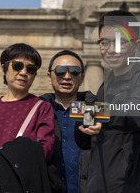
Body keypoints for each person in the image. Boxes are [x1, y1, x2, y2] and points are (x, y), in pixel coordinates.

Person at [75, 10, 140, 193]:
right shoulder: (107, 86)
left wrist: (98, 114)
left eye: (120, 41)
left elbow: (137, 113)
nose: (111, 49)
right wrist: (83, 127)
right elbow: (87, 141)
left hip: (136, 185)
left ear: (135, 45)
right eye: (105, 42)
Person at [0, 43, 55, 191]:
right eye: (17, 66)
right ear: (4, 68)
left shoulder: (41, 108)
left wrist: (1, 164)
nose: (23, 72)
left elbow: (45, 149)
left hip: (24, 185)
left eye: (30, 69)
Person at [40, 50, 96, 193]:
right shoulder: (36, 112)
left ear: (82, 77)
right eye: (59, 71)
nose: (67, 76)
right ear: (49, 76)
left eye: (74, 71)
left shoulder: (95, 110)